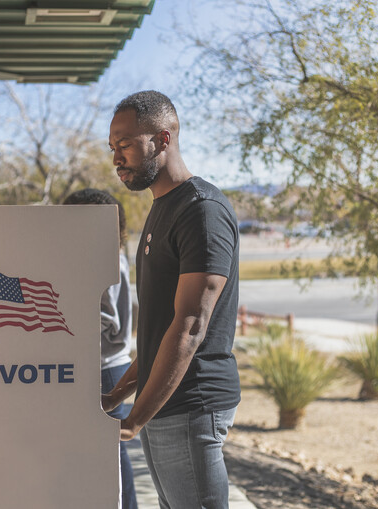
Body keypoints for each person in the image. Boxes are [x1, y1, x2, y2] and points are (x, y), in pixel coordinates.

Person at [102, 90, 241, 508]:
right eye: (112, 147)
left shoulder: (201, 210)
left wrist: (135, 420)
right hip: (165, 406)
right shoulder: (162, 209)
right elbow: (160, 329)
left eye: (125, 144)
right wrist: (117, 396)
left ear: (162, 140)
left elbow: (191, 326)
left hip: (191, 405)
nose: (116, 159)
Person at [62, 188, 138, 509]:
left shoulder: (107, 261)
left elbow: (109, 319)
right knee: (109, 454)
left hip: (108, 369)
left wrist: (68, 315)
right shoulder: (103, 256)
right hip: (106, 365)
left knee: (113, 456)